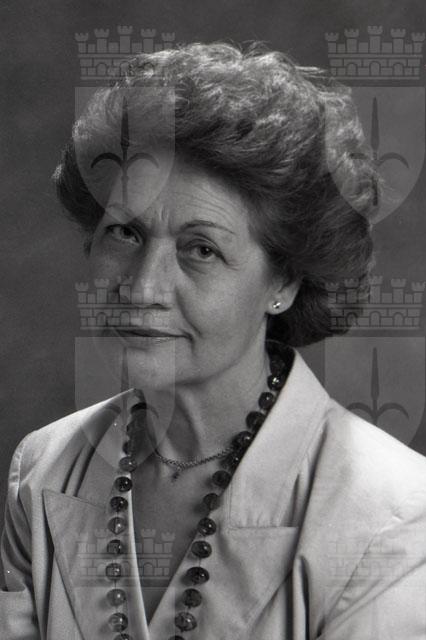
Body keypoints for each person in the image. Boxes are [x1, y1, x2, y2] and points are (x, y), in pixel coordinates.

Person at [2, 41, 426, 640]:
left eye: (201, 249)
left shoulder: (393, 512)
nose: (143, 287)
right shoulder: (46, 467)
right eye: (125, 233)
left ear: (284, 281)